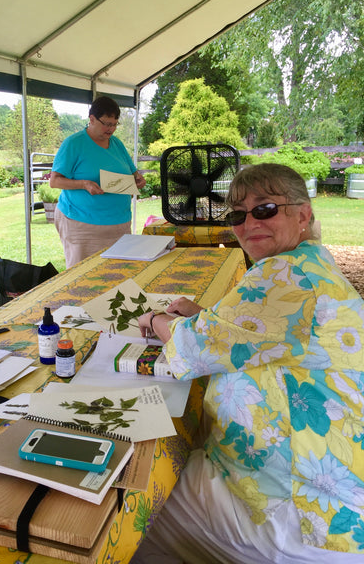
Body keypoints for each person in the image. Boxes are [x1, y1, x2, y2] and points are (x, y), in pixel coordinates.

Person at [132, 163, 364, 563]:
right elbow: (263, 335)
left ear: (303, 214)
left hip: (299, 509)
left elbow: (192, 349)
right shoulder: (309, 262)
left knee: (136, 498)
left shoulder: (285, 276)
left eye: (265, 209)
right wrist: (207, 317)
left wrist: (158, 320)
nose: (248, 223)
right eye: (238, 214)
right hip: (331, 481)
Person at [50, 95, 145, 268]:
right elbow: (55, 181)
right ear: (91, 119)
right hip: (82, 224)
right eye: (106, 124)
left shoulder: (116, 144)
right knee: (83, 277)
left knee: (118, 274)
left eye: (115, 124)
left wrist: (137, 180)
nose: (111, 129)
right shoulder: (74, 144)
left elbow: (133, 173)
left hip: (119, 223)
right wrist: (83, 184)